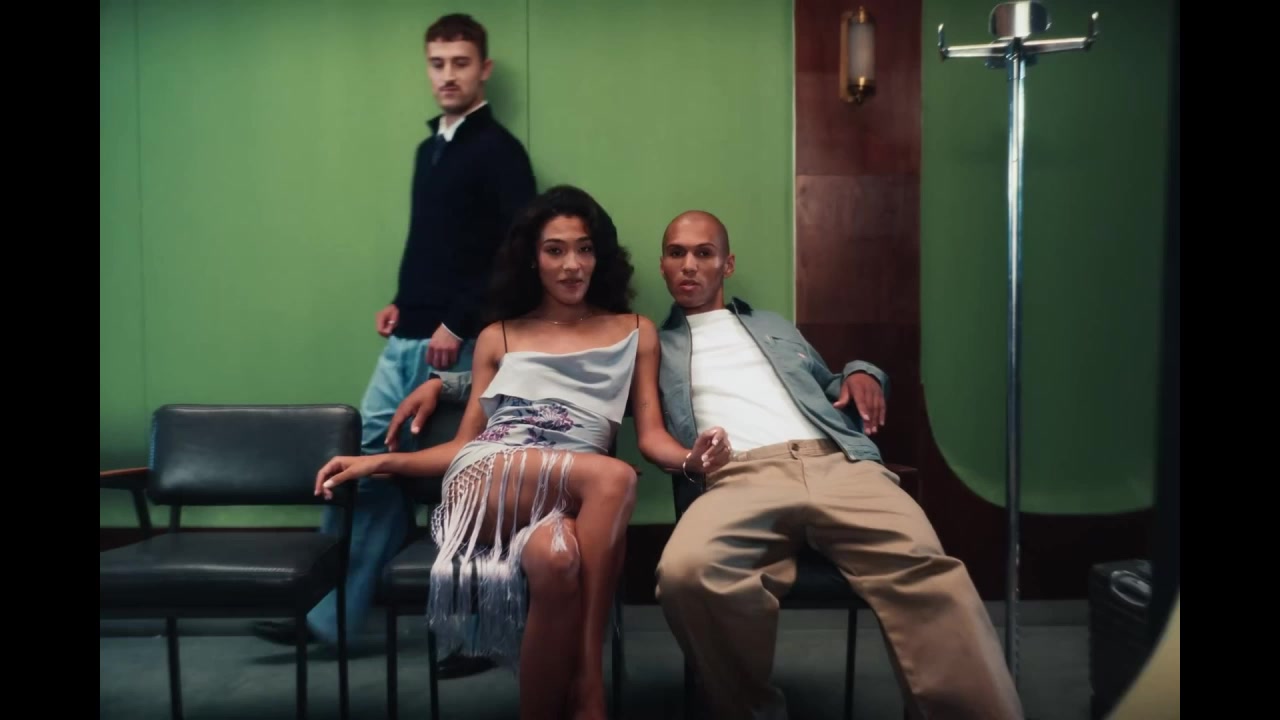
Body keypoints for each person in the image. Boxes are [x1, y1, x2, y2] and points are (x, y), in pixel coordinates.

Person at [401, 210, 1025, 719]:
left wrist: (864, 372)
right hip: (734, 477)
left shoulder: (775, 327)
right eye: (676, 253)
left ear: (726, 264)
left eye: (704, 253)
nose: (689, 265)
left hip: (838, 465)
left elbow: (830, 380)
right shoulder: (647, 340)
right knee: (686, 574)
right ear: (663, 266)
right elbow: (550, 375)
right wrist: (445, 385)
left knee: (930, 572)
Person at [313, 187, 733, 720]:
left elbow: (650, 435)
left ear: (599, 256)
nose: (572, 265)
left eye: (584, 249)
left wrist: (692, 460)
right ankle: (589, 681)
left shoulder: (635, 331)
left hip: (569, 498)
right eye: (555, 250)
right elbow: (465, 445)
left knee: (558, 560)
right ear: (532, 259)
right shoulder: (499, 336)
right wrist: (378, 461)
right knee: (614, 478)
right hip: (489, 478)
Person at [251, 13, 537, 681]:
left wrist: (457, 323)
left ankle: (479, 633)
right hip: (410, 335)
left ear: (484, 69)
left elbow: (516, 252)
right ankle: (325, 618)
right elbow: (435, 246)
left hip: (461, 346)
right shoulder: (430, 148)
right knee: (365, 470)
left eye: (460, 62)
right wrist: (403, 302)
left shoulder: (500, 151)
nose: (448, 75)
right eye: (437, 63)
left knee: (468, 480)